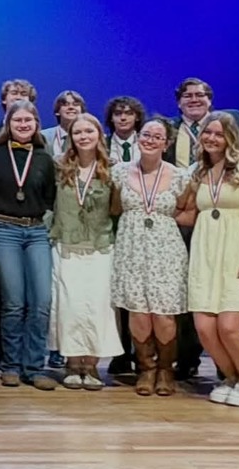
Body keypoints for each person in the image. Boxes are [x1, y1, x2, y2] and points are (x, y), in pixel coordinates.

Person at [177, 111, 239, 407]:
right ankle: (229, 378)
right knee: (204, 328)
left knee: (228, 327)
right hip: (206, 252)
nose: (211, 138)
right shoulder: (198, 171)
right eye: (207, 133)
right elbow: (187, 211)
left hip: (236, 250)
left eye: (218, 133)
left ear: (230, 136)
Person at [111, 117, 190, 396]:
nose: (150, 140)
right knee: (138, 312)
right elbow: (112, 207)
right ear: (137, 137)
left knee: (164, 313)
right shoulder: (119, 172)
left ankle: (166, 370)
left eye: (157, 137)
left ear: (166, 143)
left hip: (166, 250)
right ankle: (145, 368)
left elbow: (190, 211)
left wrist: (161, 218)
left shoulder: (180, 176)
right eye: (146, 134)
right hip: (130, 248)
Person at [0, 99, 58, 390]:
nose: (23, 125)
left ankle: (35, 367)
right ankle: (11, 366)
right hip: (3, 229)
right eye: (18, 121)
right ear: (8, 124)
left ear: (36, 124)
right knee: (13, 302)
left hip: (36, 230)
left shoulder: (43, 157)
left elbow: (50, 196)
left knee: (41, 301)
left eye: (29, 120)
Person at [48, 114, 123, 390]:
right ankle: (71, 362)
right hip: (66, 245)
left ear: (98, 134)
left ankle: (91, 365)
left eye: (88, 131)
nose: (83, 136)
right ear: (71, 137)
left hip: (100, 246)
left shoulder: (113, 168)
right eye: (77, 132)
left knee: (98, 305)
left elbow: (117, 209)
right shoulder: (59, 166)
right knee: (69, 305)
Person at [103, 95, 145, 375]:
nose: (123, 118)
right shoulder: (101, 146)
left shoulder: (150, 144)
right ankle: (121, 352)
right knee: (117, 291)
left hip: (143, 225)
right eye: (118, 114)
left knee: (140, 290)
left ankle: (145, 354)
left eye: (128, 114)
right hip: (111, 223)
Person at [41, 90, 86, 159]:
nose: (71, 107)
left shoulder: (90, 136)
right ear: (57, 111)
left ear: (82, 111)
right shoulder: (43, 136)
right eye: (65, 104)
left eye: (75, 104)